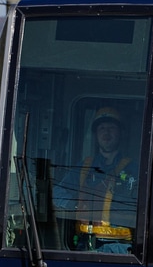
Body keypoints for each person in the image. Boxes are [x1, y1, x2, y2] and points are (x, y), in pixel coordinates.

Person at [56, 106, 139, 252]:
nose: (106, 132)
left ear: (121, 133)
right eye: (102, 128)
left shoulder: (135, 169)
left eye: (112, 127)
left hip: (123, 249)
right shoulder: (84, 167)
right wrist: (75, 205)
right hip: (85, 246)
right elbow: (56, 192)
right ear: (95, 135)